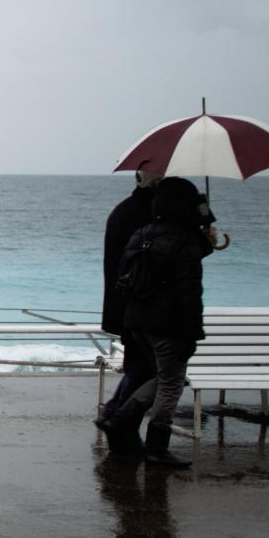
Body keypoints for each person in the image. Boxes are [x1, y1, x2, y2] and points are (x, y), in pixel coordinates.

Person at [102, 177, 219, 469]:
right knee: (171, 384)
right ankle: (156, 446)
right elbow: (189, 292)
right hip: (168, 325)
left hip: (137, 322)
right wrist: (192, 334)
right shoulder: (184, 241)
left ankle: (118, 418)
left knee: (158, 378)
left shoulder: (142, 234)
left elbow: (127, 279)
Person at [95, 169, 161, 455]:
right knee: (147, 371)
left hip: (123, 306)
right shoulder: (151, 218)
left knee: (139, 367)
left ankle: (116, 419)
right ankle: (118, 418)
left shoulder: (121, 212)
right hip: (146, 309)